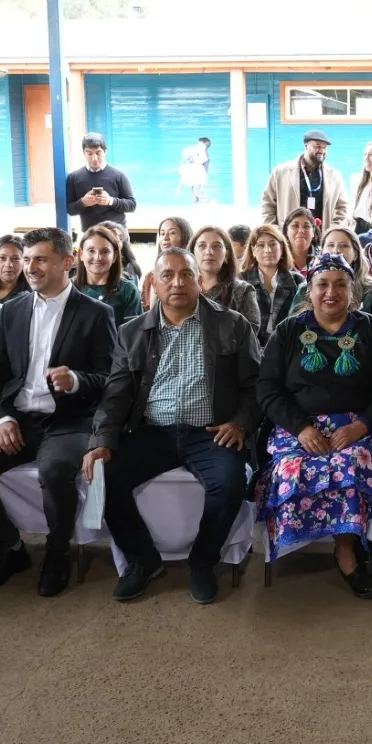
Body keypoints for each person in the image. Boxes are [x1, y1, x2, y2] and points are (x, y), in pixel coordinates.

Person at [83, 248, 261, 606]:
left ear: (199, 281)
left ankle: (203, 560)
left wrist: (240, 423)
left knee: (229, 483)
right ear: (154, 282)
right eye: (167, 275)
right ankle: (143, 559)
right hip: (151, 431)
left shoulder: (233, 325)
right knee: (107, 475)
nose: (177, 283)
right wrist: (101, 441)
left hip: (210, 432)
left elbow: (256, 386)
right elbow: (115, 394)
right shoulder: (131, 332)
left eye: (186, 275)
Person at [0, 228, 118, 599]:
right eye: (26, 259)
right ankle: (10, 548)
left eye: (40, 259)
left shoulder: (96, 313)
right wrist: (1, 419)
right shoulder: (13, 310)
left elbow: (110, 379)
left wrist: (75, 380)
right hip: (19, 418)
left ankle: (57, 554)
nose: (29, 267)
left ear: (67, 263)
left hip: (69, 421)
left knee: (55, 471)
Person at [256, 253, 372, 598]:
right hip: (297, 428)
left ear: (353, 291)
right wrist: (301, 429)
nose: (331, 292)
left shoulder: (369, 329)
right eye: (322, 284)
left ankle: (346, 548)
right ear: (310, 290)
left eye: (341, 284)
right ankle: (298, 537)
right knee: (292, 467)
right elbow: (267, 388)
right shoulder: (289, 330)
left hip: (355, 427)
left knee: (351, 464)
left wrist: (363, 426)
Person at [261, 131, 349, 234]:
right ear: (306, 145)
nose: (321, 151)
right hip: (290, 236)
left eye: (324, 148)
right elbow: (268, 203)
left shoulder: (334, 176)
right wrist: (276, 231)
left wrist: (333, 230)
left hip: (321, 236)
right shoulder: (280, 172)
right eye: (317, 146)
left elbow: (342, 207)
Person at [240, 223, 304, 346]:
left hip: (287, 348)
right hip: (248, 349)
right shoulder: (241, 280)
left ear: (282, 248)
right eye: (261, 245)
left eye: (273, 244)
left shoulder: (298, 281)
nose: (267, 250)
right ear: (253, 251)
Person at [191, 225, 262, 330]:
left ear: (227, 255)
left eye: (216, 246)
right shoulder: (182, 288)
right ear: (192, 254)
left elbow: (249, 335)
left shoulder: (242, 291)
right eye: (202, 246)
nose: (209, 252)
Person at [64, 133, 139, 232]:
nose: (94, 158)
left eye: (98, 153)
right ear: (84, 153)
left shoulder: (119, 175)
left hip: (116, 233)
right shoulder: (74, 177)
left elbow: (132, 205)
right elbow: (69, 209)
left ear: (105, 152)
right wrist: (83, 202)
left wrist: (110, 201)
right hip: (89, 235)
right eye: (89, 153)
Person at [75, 224, 144, 327]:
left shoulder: (128, 291)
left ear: (115, 256)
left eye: (105, 251)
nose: (98, 257)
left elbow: (134, 337)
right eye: (91, 251)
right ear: (81, 254)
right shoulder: (69, 289)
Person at [180, 136, 211, 204]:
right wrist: (189, 157)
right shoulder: (199, 152)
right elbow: (192, 161)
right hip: (195, 174)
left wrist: (190, 157)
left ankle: (208, 202)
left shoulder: (204, 154)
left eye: (199, 144)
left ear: (204, 144)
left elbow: (196, 162)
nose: (198, 145)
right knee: (194, 191)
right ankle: (195, 205)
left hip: (200, 175)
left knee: (196, 191)